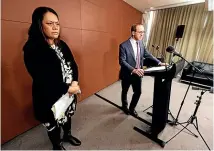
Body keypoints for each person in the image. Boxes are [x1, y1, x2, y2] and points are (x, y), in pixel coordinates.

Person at [23, 7, 81, 150]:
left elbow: (73, 65)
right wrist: (69, 88)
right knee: (52, 123)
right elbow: (42, 79)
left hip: (69, 92)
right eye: (50, 23)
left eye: (57, 23)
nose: (55, 28)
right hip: (49, 97)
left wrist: (74, 82)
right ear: (39, 25)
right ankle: (57, 145)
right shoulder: (32, 49)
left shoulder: (62, 44)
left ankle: (67, 135)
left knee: (67, 116)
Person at [119, 24, 167, 117]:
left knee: (138, 92)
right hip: (127, 73)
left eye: (143, 32)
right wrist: (133, 70)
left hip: (139, 73)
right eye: (140, 32)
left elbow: (147, 54)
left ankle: (132, 109)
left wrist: (159, 63)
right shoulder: (123, 45)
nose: (142, 34)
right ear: (133, 33)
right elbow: (122, 61)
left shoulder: (141, 43)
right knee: (125, 91)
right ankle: (124, 107)